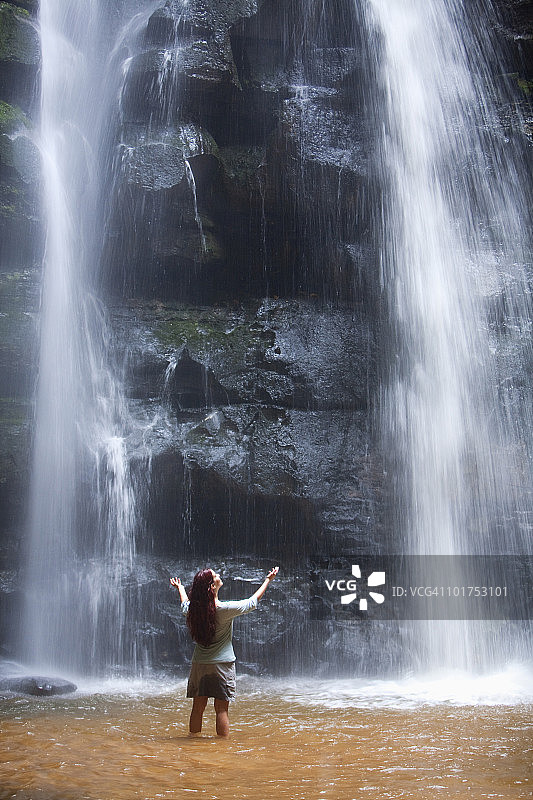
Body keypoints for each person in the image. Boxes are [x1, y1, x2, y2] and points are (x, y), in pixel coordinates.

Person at [170, 566, 279, 737]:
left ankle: (193, 743)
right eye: (215, 575)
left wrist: (180, 588)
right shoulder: (224, 609)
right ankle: (221, 747)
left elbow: (185, 604)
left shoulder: (194, 610)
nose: (219, 575)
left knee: (197, 708)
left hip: (200, 663)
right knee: (221, 709)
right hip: (223, 664)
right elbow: (252, 602)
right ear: (212, 586)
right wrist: (267, 580)